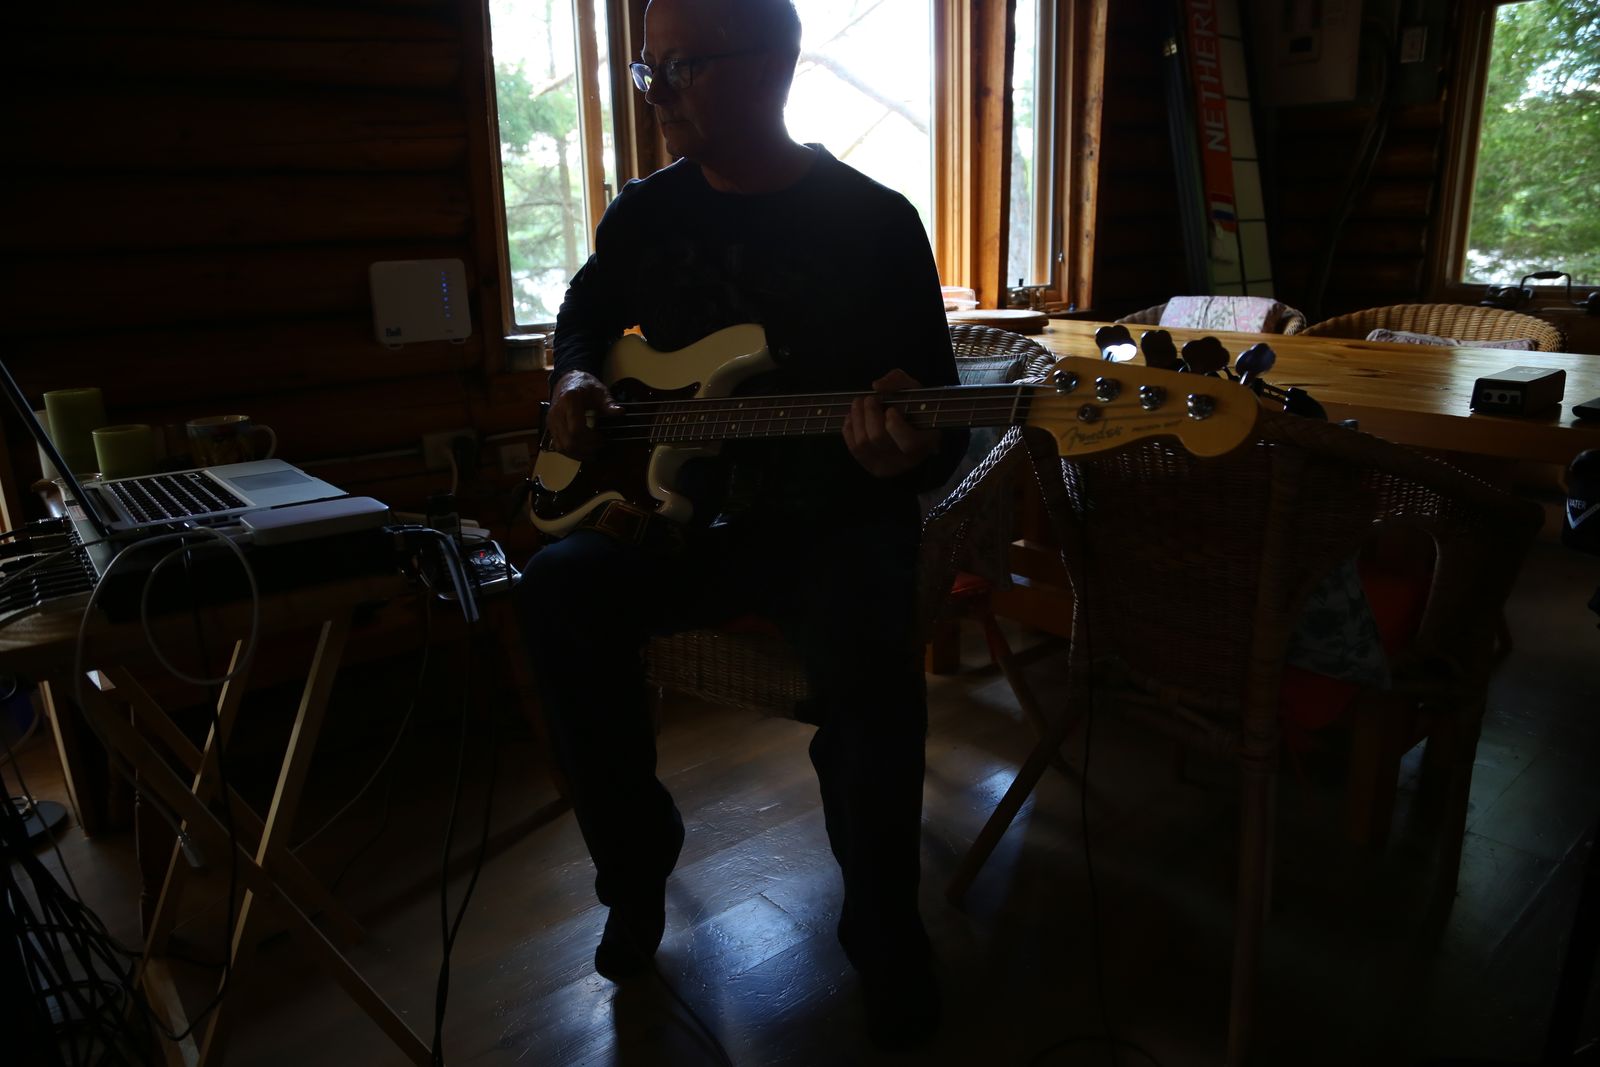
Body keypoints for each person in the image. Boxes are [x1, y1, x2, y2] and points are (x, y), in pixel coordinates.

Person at [517, 0, 964, 1048]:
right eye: (648, 70)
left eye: (680, 67)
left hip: (832, 519)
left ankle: (883, 932)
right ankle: (636, 868)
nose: (655, 94)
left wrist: (904, 451)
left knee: (872, 668)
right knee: (557, 591)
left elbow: (938, 419)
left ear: (771, 66)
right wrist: (575, 373)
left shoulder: (875, 221)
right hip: (680, 519)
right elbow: (584, 314)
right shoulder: (645, 212)